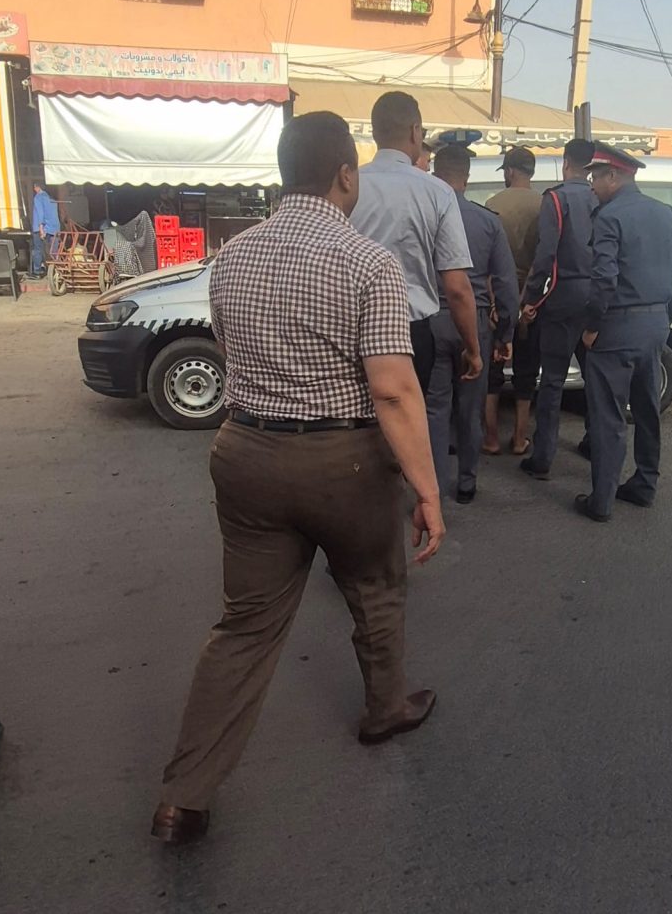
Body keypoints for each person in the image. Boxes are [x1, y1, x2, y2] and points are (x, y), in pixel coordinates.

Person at [152, 112, 444, 847]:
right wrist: (427, 490)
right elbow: (393, 391)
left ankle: (184, 797)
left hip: (246, 452)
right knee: (375, 589)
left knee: (245, 626)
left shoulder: (233, 256)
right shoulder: (369, 264)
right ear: (345, 174)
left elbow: (230, 351)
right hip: (343, 463)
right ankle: (385, 709)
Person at [575, 143, 672, 523]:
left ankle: (602, 501)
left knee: (608, 416)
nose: (591, 185)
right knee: (646, 409)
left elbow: (604, 280)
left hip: (616, 328)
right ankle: (644, 485)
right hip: (655, 327)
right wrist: (664, 315)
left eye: (595, 177)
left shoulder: (609, 217)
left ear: (613, 176)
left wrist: (592, 327)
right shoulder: (667, 213)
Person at [350, 91, 481, 394]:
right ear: (415, 131)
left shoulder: (349, 185)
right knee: (407, 416)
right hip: (410, 333)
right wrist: (473, 349)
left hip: (354, 329)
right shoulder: (437, 192)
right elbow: (457, 287)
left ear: (375, 133)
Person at [427, 144, 519, 503]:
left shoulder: (424, 216)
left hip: (431, 318)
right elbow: (507, 283)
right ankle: (467, 481)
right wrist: (506, 333)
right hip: (476, 322)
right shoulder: (488, 221)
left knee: (435, 408)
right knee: (470, 408)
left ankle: (433, 489)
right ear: (466, 177)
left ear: (435, 174)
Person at [518, 138, 597, 479]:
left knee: (552, 380)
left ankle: (543, 457)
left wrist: (531, 298)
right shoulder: (600, 196)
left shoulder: (556, 198)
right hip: (597, 296)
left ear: (565, 163)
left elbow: (546, 254)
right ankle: (594, 442)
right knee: (596, 377)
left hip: (564, 296)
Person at [484, 147, 542, 455]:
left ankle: (491, 438)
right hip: (533, 299)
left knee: (493, 371)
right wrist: (527, 299)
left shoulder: (493, 204)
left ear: (509, 171)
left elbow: (487, 261)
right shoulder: (545, 205)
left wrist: (495, 303)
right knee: (526, 370)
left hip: (499, 294)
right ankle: (520, 439)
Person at [30, 182, 60, 278]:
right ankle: (56, 271)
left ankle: (37, 271)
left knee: (38, 249)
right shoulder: (52, 199)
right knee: (54, 251)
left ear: (36, 187)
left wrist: (41, 228)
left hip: (41, 228)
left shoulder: (38, 197)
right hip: (54, 228)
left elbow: (40, 213)